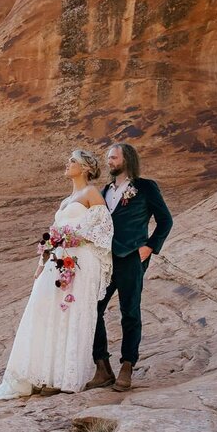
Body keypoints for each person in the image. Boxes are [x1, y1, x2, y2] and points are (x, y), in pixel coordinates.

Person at [0, 149, 114, 401]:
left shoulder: (91, 193)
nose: (67, 164)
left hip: (81, 260)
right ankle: (47, 375)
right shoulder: (65, 201)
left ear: (85, 169)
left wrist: (73, 235)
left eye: (73, 161)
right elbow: (53, 234)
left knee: (73, 314)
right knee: (48, 312)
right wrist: (42, 261)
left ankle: (66, 379)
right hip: (58, 261)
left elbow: (104, 228)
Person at [86, 142, 173, 392]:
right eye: (108, 158)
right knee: (93, 310)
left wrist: (150, 247)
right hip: (105, 260)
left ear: (127, 160)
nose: (109, 162)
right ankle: (102, 366)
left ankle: (127, 365)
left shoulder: (145, 187)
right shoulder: (104, 191)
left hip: (132, 258)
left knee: (130, 312)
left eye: (113, 157)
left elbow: (165, 220)